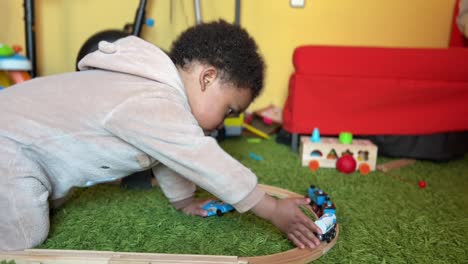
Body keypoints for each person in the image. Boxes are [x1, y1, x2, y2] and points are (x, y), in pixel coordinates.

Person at [0, 20, 322, 251]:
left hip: (30, 147)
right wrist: (270, 208)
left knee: (45, 197)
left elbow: (169, 156)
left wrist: (183, 202)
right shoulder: (153, 97)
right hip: (9, 142)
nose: (223, 124)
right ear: (207, 78)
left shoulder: (159, 99)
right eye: (227, 110)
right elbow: (196, 154)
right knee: (24, 234)